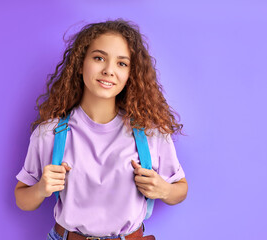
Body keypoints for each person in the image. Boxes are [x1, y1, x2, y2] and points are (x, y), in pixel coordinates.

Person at [14, 18, 188, 240]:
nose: (108, 70)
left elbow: (180, 188)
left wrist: (164, 190)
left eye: (121, 63)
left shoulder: (151, 133)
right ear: (80, 64)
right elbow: (22, 198)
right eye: (99, 58)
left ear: (130, 75)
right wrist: (41, 189)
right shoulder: (49, 133)